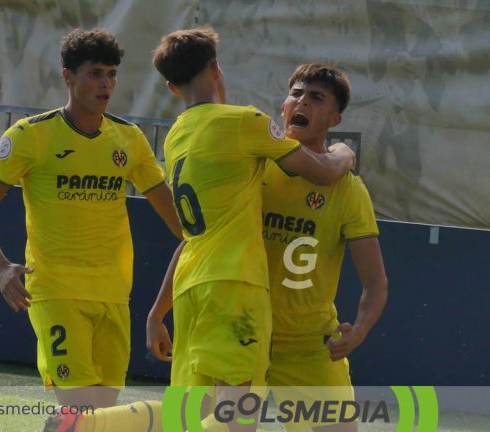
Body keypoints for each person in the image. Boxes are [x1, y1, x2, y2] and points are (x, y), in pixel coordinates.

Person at [41, 28, 355, 432]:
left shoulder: (177, 135)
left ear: (172, 87)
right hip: (235, 284)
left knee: (189, 413)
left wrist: (157, 312)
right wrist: (345, 151)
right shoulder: (246, 123)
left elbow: (194, 231)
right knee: (239, 416)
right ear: (215, 68)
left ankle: (85, 425)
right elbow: (327, 172)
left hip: (192, 286)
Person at [0, 28, 182, 415]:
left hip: (114, 293)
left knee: (100, 414)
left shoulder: (129, 139)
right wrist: (0, 267)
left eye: (112, 74)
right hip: (57, 291)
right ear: (68, 76)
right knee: (81, 408)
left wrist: (213, 239)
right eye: (95, 73)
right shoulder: (31, 136)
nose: (106, 83)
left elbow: (175, 217)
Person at [262, 64, 388, 432]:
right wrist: (161, 310)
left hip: (308, 345)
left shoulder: (348, 190)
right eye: (296, 93)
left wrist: (360, 330)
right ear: (284, 105)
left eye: (315, 97)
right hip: (243, 333)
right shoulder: (253, 167)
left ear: (334, 118)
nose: (301, 101)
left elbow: (376, 282)